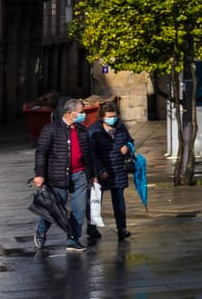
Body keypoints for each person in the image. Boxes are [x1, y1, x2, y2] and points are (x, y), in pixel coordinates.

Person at [31, 99, 86, 252]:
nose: (84, 115)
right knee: (54, 210)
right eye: (81, 113)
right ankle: (41, 230)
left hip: (79, 174)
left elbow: (88, 153)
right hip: (58, 175)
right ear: (69, 113)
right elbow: (41, 152)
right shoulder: (51, 129)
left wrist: (93, 174)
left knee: (79, 209)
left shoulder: (81, 130)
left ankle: (73, 239)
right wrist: (39, 174)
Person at [84, 104, 132, 243]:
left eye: (114, 116)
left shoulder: (121, 127)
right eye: (109, 117)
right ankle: (92, 227)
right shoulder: (93, 131)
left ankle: (122, 228)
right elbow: (91, 153)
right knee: (95, 201)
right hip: (101, 170)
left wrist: (127, 147)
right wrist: (99, 171)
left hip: (118, 169)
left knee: (119, 201)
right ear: (102, 117)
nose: (112, 119)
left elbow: (130, 140)